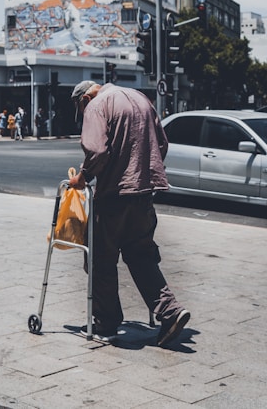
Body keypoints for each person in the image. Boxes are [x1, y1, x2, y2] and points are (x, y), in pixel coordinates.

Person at [69, 80, 190, 346]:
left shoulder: (96, 106)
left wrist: (84, 176)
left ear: (85, 100)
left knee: (100, 258)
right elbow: (161, 145)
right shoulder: (139, 98)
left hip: (115, 195)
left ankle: (107, 322)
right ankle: (170, 312)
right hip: (145, 193)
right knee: (141, 255)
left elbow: (97, 150)